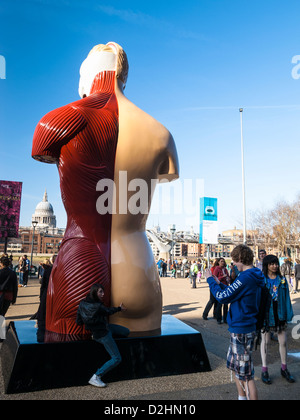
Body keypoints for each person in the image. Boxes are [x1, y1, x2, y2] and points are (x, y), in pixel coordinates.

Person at [205, 245, 265, 400]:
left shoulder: (246, 277)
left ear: (240, 259)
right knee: (234, 366)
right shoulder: (253, 275)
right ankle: (241, 396)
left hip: (241, 328)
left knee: (246, 375)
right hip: (243, 326)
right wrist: (219, 283)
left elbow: (223, 297)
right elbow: (234, 292)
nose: (233, 265)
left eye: (234, 261)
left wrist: (211, 281)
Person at [76, 283, 129, 388]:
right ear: (95, 292)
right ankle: (96, 376)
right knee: (117, 358)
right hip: (102, 335)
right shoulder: (98, 306)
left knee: (125, 331)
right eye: (100, 292)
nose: (103, 294)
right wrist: (119, 308)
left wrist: (91, 322)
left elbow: (78, 322)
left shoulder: (82, 303)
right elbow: (108, 311)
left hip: (104, 329)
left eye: (103, 291)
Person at [260, 255, 295, 385]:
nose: (274, 266)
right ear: (266, 265)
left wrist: (288, 314)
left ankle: (284, 369)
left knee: (283, 341)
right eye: (271, 264)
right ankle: (264, 370)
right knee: (266, 341)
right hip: (266, 313)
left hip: (279, 312)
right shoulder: (262, 280)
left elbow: (287, 299)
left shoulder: (282, 280)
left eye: (275, 264)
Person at [214, 258, 231, 324]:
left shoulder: (225, 269)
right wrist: (222, 277)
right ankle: (219, 318)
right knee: (220, 304)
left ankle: (225, 319)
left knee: (226, 304)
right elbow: (215, 278)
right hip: (220, 287)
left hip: (226, 287)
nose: (223, 263)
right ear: (218, 262)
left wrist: (228, 278)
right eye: (221, 261)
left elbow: (228, 276)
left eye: (223, 261)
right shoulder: (217, 269)